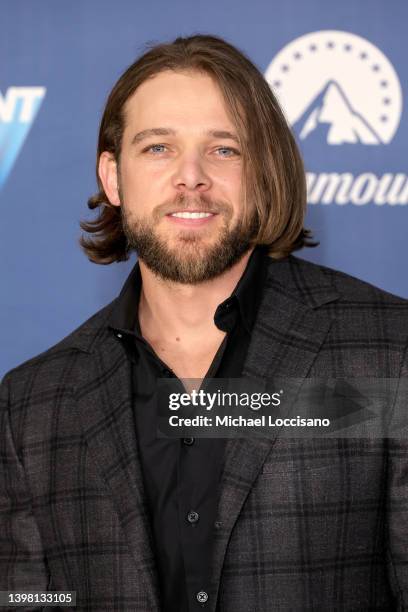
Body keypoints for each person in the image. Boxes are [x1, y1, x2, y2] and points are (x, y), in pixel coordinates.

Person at [1, 33, 408, 612]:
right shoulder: (32, 405)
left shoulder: (388, 353)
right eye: (158, 148)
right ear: (113, 179)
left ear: (263, 172)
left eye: (223, 150)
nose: (190, 177)